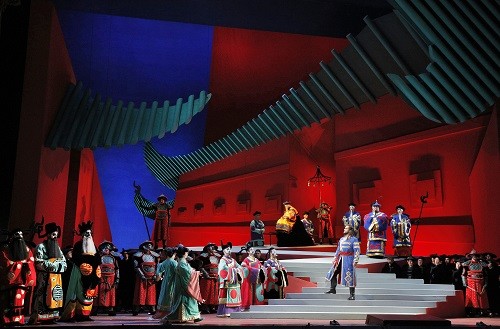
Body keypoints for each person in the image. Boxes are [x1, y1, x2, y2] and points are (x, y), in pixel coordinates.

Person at [60, 220, 101, 322]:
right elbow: (76, 258)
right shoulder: (78, 245)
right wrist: (84, 265)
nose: (88, 235)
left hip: (91, 273)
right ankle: (72, 314)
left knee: (88, 294)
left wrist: (94, 267)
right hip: (79, 271)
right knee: (76, 292)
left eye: (90, 233)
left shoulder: (94, 246)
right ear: (82, 234)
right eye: (86, 233)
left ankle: (85, 315)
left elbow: (98, 258)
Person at [29, 222, 67, 324]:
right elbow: (38, 262)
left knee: (55, 295)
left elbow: (64, 263)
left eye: (56, 235)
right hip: (44, 277)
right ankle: (39, 317)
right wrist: (53, 264)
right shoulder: (40, 247)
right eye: (53, 234)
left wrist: (56, 265)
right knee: (41, 296)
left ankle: (52, 317)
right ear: (48, 234)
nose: (55, 237)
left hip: (56, 278)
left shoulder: (58, 248)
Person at [0, 229, 37, 326]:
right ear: (12, 237)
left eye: (21, 235)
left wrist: (24, 266)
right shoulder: (6, 249)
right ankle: (7, 319)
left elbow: (30, 261)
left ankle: (19, 319)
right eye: (17, 234)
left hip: (22, 278)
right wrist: (19, 265)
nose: (20, 237)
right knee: (8, 299)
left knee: (20, 299)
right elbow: (6, 262)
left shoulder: (27, 249)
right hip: (10, 280)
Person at [162, 245, 204, 323]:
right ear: (184, 254)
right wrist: (196, 273)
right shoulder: (181, 263)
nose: (187, 254)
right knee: (185, 301)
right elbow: (187, 273)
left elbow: (189, 271)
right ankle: (180, 316)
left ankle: (195, 316)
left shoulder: (182, 262)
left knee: (191, 301)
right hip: (183, 286)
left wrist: (195, 272)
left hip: (182, 284)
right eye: (186, 253)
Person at [325, 225, 360, 300]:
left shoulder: (354, 240)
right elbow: (338, 249)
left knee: (350, 276)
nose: (344, 229)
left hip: (348, 259)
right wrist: (335, 258)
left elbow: (357, 250)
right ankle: (332, 289)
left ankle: (352, 295)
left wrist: (355, 260)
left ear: (350, 230)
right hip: (340, 258)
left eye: (346, 228)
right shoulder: (341, 239)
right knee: (333, 273)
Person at [134, 184, 174, 249]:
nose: (162, 200)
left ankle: (164, 245)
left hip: (165, 220)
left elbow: (169, 213)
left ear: (164, 200)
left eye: (163, 199)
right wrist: (142, 206)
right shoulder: (156, 205)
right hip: (158, 220)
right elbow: (148, 208)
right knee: (157, 232)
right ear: (159, 200)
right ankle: (156, 245)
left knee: (164, 233)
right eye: (161, 199)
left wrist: (169, 222)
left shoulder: (167, 206)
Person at [217, 242, 244, 317]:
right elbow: (222, 271)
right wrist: (233, 270)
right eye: (227, 249)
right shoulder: (223, 260)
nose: (229, 251)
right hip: (227, 283)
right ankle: (225, 311)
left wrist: (236, 270)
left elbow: (240, 267)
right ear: (223, 251)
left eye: (230, 249)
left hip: (234, 282)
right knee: (226, 297)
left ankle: (236, 310)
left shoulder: (233, 260)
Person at [132, 240, 159, 316]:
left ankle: (152, 308)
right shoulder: (138, 256)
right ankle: (137, 308)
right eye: (147, 245)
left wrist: (155, 275)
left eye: (150, 245)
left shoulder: (154, 256)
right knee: (140, 292)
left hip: (151, 277)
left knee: (151, 293)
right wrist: (142, 275)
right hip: (142, 277)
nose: (149, 247)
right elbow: (136, 267)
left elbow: (157, 266)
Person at [96, 241, 120, 316]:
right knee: (99, 292)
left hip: (111, 277)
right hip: (101, 277)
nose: (106, 249)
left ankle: (110, 308)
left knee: (111, 293)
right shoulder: (99, 258)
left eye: (108, 248)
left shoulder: (113, 258)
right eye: (104, 248)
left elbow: (117, 269)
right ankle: (96, 308)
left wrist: (117, 279)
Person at [462, 251, 489, 317]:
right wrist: (464, 283)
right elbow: (463, 274)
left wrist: (485, 284)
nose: (475, 256)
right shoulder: (467, 264)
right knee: (471, 297)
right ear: (471, 256)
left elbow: (486, 275)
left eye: (476, 255)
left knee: (480, 297)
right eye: (473, 255)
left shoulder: (482, 264)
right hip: (470, 283)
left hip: (480, 283)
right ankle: (471, 312)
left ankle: (480, 311)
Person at [154, 247, 177, 319]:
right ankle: (170, 313)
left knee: (165, 295)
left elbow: (158, 277)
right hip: (172, 282)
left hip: (165, 282)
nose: (161, 255)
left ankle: (162, 313)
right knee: (171, 296)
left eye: (162, 254)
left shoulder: (162, 263)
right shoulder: (174, 262)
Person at [198, 243, 221, 314]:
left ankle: (212, 307)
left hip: (215, 276)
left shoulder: (218, 256)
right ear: (207, 248)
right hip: (207, 277)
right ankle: (205, 307)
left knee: (214, 292)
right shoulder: (203, 256)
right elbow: (200, 266)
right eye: (211, 246)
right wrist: (206, 274)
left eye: (213, 246)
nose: (212, 247)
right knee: (206, 292)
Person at [240, 246, 264, 310]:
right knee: (248, 291)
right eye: (251, 249)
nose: (252, 250)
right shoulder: (246, 259)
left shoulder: (256, 260)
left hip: (256, 278)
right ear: (248, 252)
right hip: (249, 279)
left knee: (256, 290)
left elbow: (261, 266)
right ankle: (247, 305)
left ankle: (256, 304)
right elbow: (243, 267)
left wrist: (262, 269)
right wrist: (253, 269)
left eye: (253, 249)